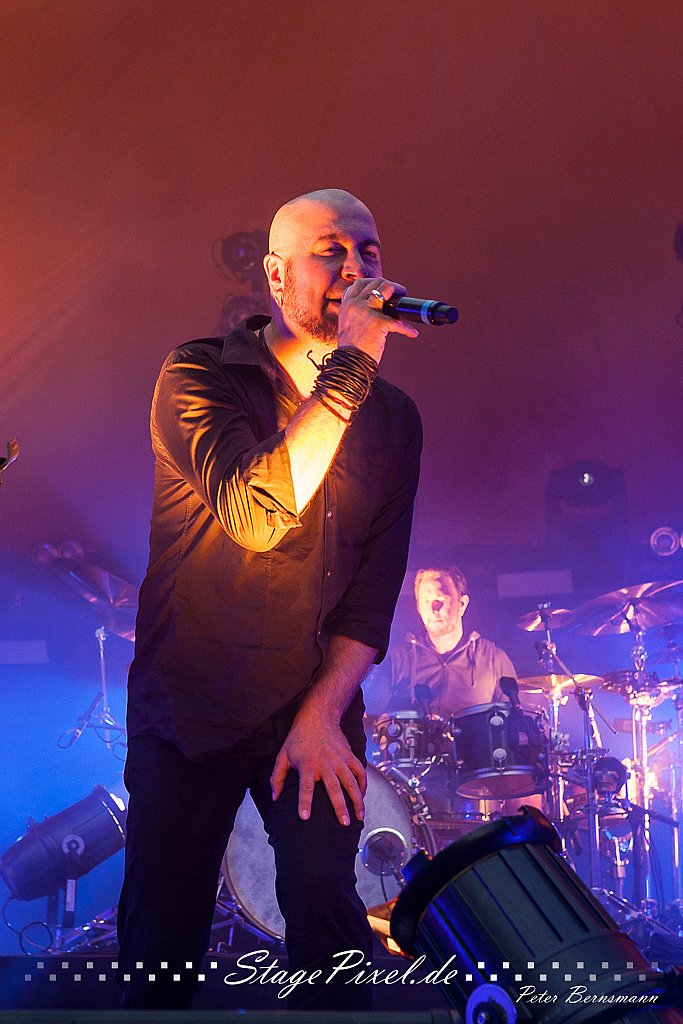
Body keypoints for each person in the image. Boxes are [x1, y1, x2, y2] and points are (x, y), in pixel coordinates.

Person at [116, 188, 422, 1010]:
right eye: (331, 251)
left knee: (330, 915)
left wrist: (321, 714)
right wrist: (353, 364)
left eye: (368, 251)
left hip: (311, 707)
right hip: (192, 707)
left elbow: (371, 593)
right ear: (277, 276)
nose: (355, 268)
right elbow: (255, 516)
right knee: (162, 939)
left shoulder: (394, 419)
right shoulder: (199, 373)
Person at [364, 566, 516, 717]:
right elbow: (369, 716)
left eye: (441, 599)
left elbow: (512, 721)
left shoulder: (494, 660)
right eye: (425, 601)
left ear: (462, 604)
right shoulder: (396, 660)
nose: (434, 609)